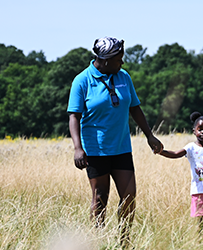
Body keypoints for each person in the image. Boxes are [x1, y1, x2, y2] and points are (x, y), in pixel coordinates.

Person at [67, 36, 163, 240]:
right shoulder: (82, 80)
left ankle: (124, 240)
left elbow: (135, 108)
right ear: (106, 59)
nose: (123, 62)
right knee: (100, 197)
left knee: (129, 197)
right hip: (96, 150)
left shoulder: (124, 77)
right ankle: (99, 240)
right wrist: (78, 147)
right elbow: (74, 116)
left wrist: (149, 135)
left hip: (121, 148)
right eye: (119, 59)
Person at [159, 112, 203, 231]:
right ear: (194, 131)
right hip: (199, 191)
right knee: (202, 220)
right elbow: (175, 154)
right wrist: (161, 151)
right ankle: (202, 240)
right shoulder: (191, 147)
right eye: (200, 129)